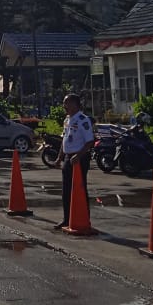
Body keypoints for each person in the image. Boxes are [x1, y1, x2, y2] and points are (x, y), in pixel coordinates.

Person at [54, 93, 95, 229]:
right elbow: (65, 139)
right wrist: (59, 157)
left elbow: (90, 142)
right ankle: (67, 219)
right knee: (66, 190)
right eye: (64, 103)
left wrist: (79, 155)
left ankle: (84, 218)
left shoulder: (83, 120)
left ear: (75, 105)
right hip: (68, 158)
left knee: (80, 189)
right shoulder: (67, 120)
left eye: (67, 103)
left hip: (79, 158)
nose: (64, 106)